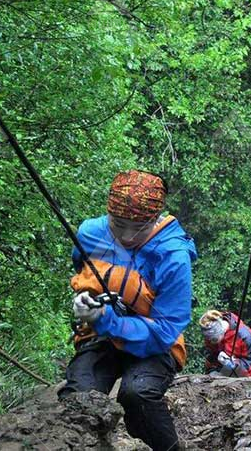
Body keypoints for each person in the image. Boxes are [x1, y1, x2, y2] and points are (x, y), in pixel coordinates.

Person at [58, 170, 197, 451]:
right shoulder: (90, 234)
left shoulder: (173, 257)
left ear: (156, 219)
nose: (127, 236)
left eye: (139, 227)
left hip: (155, 342)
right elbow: (83, 273)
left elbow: (167, 329)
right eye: (118, 224)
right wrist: (87, 301)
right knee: (79, 397)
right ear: (107, 214)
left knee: (138, 394)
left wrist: (105, 319)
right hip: (100, 335)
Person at [200, 309, 251, 377]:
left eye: (214, 339)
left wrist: (234, 365)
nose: (211, 342)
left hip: (241, 372)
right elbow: (211, 355)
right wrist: (212, 369)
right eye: (208, 339)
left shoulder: (245, 336)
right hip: (221, 370)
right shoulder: (210, 336)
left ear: (221, 332)